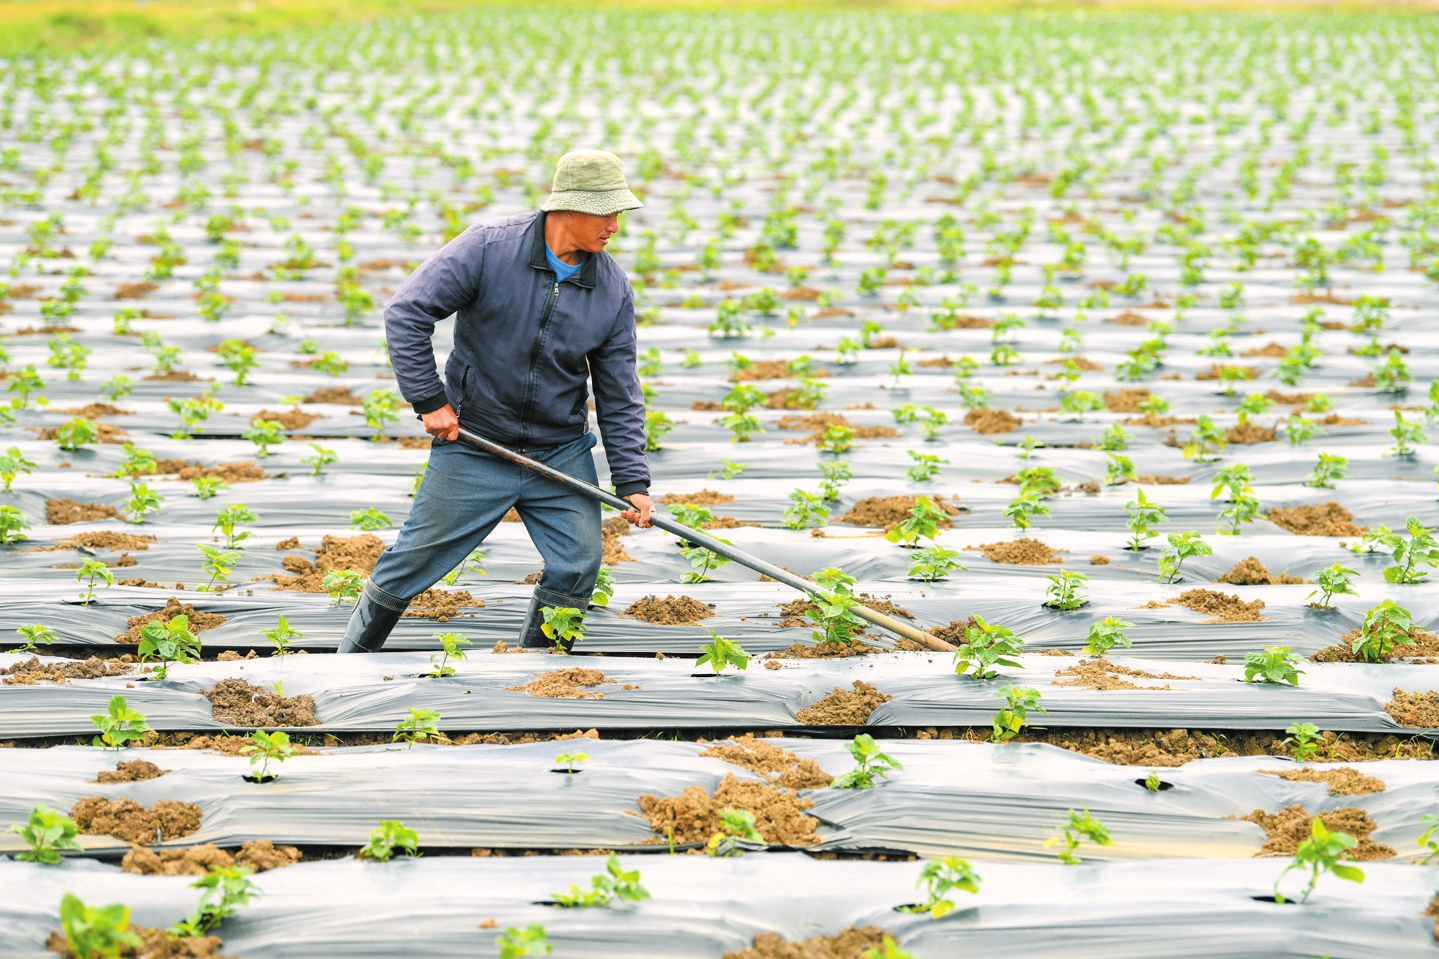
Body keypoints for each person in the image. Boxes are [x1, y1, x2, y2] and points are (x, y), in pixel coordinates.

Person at [338, 150, 654, 653]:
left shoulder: (611, 289)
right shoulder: (488, 248)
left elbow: (619, 390)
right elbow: (407, 312)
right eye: (608, 212)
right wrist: (429, 400)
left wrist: (633, 480)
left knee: (578, 563)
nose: (615, 226)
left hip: (559, 452)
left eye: (620, 213)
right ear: (568, 208)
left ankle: (544, 677)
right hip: (477, 441)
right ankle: (347, 662)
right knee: (411, 563)